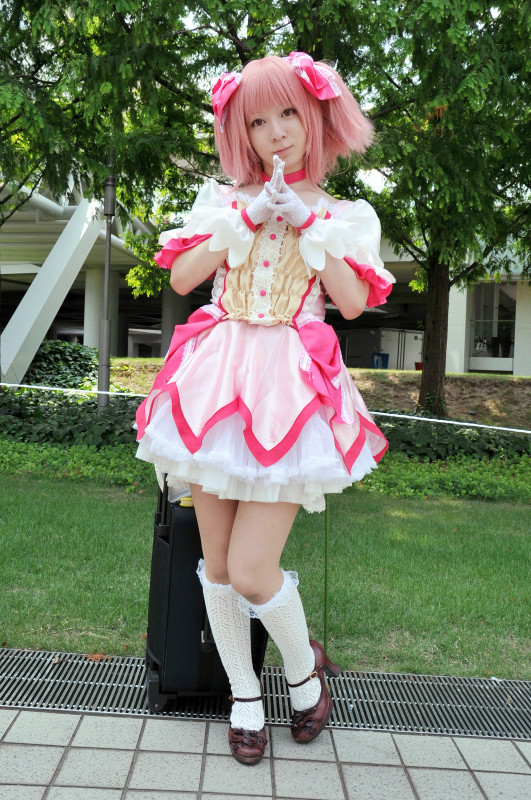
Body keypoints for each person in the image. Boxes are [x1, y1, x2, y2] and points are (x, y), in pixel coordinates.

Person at [136, 52, 395, 765]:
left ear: (315, 118)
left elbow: (351, 302)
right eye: (256, 121)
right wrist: (244, 218)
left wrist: (308, 224)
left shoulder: (344, 214)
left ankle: (305, 675)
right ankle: (245, 697)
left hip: (287, 388)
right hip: (215, 382)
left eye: (288, 114)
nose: (275, 131)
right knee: (218, 566)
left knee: (253, 569)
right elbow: (184, 278)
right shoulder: (221, 201)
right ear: (239, 132)